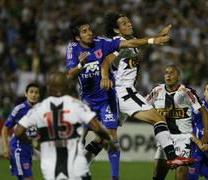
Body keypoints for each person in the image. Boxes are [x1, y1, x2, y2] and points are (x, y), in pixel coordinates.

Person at [66, 15, 170, 179]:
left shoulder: (106, 42)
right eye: (84, 32)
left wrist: (155, 38)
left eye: (89, 29)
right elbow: (97, 65)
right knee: (83, 140)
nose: (89, 33)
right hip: (100, 97)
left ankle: (91, 173)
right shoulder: (76, 48)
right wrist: (90, 70)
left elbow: (132, 43)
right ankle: (78, 169)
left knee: (106, 139)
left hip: (108, 97)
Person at [100, 12, 202, 169]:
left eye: (129, 21)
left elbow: (139, 44)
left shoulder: (131, 41)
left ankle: (82, 164)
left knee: (103, 137)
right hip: (123, 92)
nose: (129, 24)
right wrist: (104, 76)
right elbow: (106, 61)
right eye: (124, 23)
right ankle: (172, 157)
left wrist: (157, 36)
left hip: (119, 94)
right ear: (116, 30)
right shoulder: (117, 42)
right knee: (158, 119)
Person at [14, 72, 116, 180]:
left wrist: (33, 142)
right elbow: (96, 127)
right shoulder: (77, 105)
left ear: (49, 87)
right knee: (97, 142)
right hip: (78, 170)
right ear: (68, 87)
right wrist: (109, 140)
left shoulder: (39, 108)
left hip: (50, 170)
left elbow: (18, 131)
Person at [145, 65, 208, 180]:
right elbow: (143, 107)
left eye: (172, 73)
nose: (168, 75)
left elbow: (204, 111)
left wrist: (206, 133)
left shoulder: (187, 92)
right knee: (157, 175)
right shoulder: (157, 90)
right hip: (165, 139)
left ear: (178, 76)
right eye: (166, 72)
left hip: (183, 139)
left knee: (181, 175)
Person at [1, 82, 40, 180]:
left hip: (28, 151)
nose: (34, 95)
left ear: (39, 95)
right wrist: (6, 148)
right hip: (18, 149)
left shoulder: (39, 110)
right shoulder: (19, 109)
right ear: (26, 94)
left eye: (36, 92)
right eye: (31, 92)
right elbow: (5, 128)